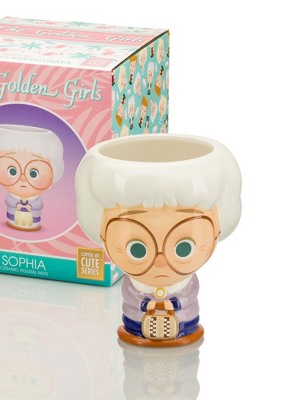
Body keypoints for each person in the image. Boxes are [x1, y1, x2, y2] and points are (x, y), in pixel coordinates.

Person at [76, 134, 241, 346]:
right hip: (135, 324)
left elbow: (189, 295)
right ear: (100, 230)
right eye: (137, 249)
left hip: (186, 323)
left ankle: (185, 329)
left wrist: (174, 303)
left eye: (183, 248)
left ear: (218, 226)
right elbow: (131, 296)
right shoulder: (133, 286)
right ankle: (135, 330)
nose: (160, 262)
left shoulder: (186, 285)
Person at [0, 124, 64, 231]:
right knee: (12, 217)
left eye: (33, 174)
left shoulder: (35, 200)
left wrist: (30, 207)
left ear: (51, 177)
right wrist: (17, 205)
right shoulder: (11, 197)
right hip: (12, 217)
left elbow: (38, 205)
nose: (22, 179)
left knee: (33, 220)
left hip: (33, 220)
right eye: (12, 171)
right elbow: (9, 201)